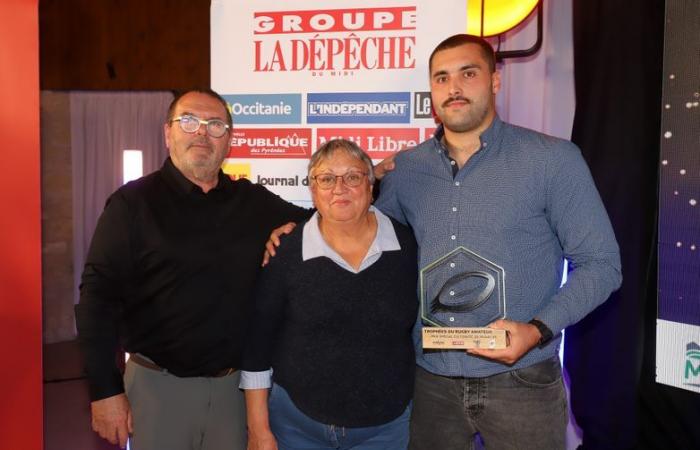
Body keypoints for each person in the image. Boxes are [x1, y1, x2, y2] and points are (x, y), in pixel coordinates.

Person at [373, 34, 622, 449]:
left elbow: (602, 265)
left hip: (523, 381)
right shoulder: (405, 172)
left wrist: (537, 329)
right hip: (430, 382)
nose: (453, 88)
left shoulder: (552, 159)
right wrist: (293, 230)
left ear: (495, 80)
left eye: (468, 73)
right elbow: (362, 242)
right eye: (441, 78)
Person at [75, 88, 311, 450]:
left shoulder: (252, 202)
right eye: (189, 121)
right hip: (157, 391)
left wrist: (365, 178)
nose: (202, 132)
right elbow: (96, 300)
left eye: (215, 125)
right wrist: (105, 391)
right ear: (168, 133)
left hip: (235, 394)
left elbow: (327, 220)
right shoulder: (132, 204)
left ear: (229, 141)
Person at [241, 139, 418, 450]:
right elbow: (258, 343)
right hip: (297, 427)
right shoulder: (286, 250)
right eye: (326, 178)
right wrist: (258, 429)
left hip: (385, 431)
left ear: (371, 183)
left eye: (352, 177)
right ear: (312, 189)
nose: (340, 188)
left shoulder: (409, 246)